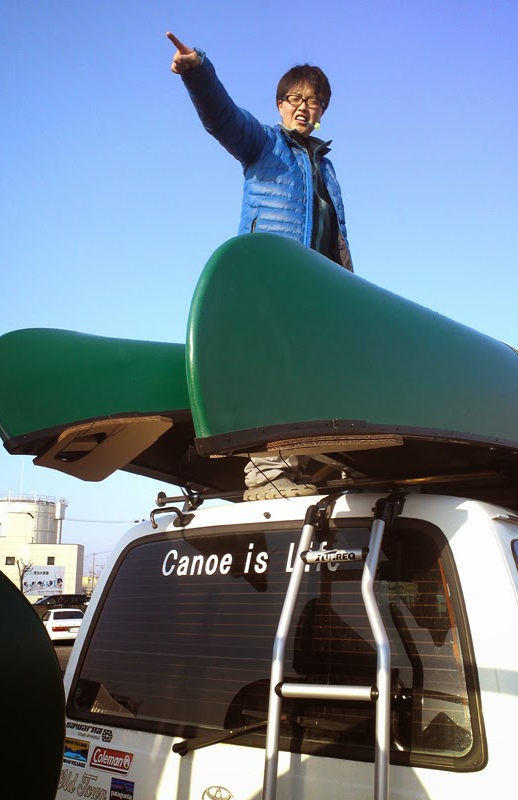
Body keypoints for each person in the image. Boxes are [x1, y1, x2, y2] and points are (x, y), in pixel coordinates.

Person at [167, 32, 353, 500]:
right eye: (295, 99)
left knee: (315, 372)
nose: (304, 108)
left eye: (314, 101)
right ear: (279, 105)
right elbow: (222, 117)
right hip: (270, 277)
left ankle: (302, 464)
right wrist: (198, 71)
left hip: (316, 287)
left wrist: (348, 292)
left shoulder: (326, 167)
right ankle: (265, 474)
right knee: (274, 367)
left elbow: (337, 237)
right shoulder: (263, 143)